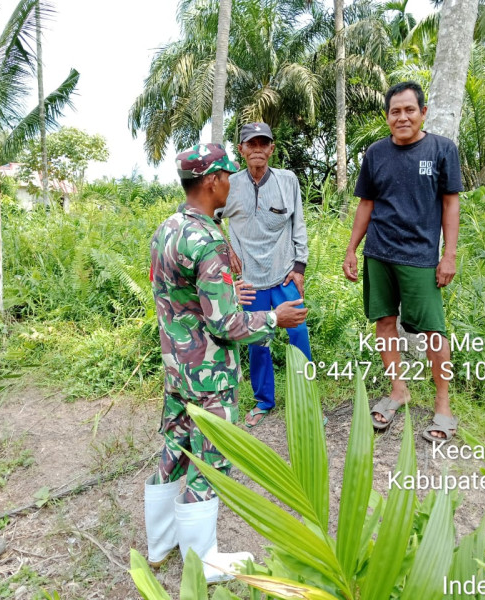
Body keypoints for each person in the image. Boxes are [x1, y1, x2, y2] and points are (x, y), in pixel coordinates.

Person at [145, 143, 308, 583]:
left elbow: (179, 298)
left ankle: (159, 547)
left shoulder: (169, 229)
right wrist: (276, 316)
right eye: (227, 177)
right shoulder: (209, 239)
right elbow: (227, 325)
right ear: (213, 181)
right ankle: (203, 562)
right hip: (208, 372)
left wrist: (232, 293)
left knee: (175, 449)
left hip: (177, 366)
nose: (232, 184)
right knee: (211, 459)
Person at [342, 81, 462, 441]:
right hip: (379, 253)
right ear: (387, 116)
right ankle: (398, 390)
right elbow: (366, 204)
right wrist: (351, 248)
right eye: (395, 111)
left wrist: (449, 255)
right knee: (384, 324)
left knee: (433, 332)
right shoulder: (376, 154)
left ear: (423, 112)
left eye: (410, 109)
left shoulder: (442, 150)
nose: (402, 116)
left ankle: (443, 407)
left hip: (420, 257)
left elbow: (450, 203)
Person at [219, 122, 312, 428]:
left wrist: (299, 266)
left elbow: (298, 224)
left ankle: (308, 401)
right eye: (251, 144)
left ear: (272, 149)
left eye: (264, 143)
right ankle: (264, 401)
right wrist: (226, 247)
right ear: (242, 150)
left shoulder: (288, 181)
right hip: (250, 280)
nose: (258, 149)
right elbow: (208, 216)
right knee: (258, 340)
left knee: (299, 336)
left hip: (284, 274)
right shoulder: (230, 184)